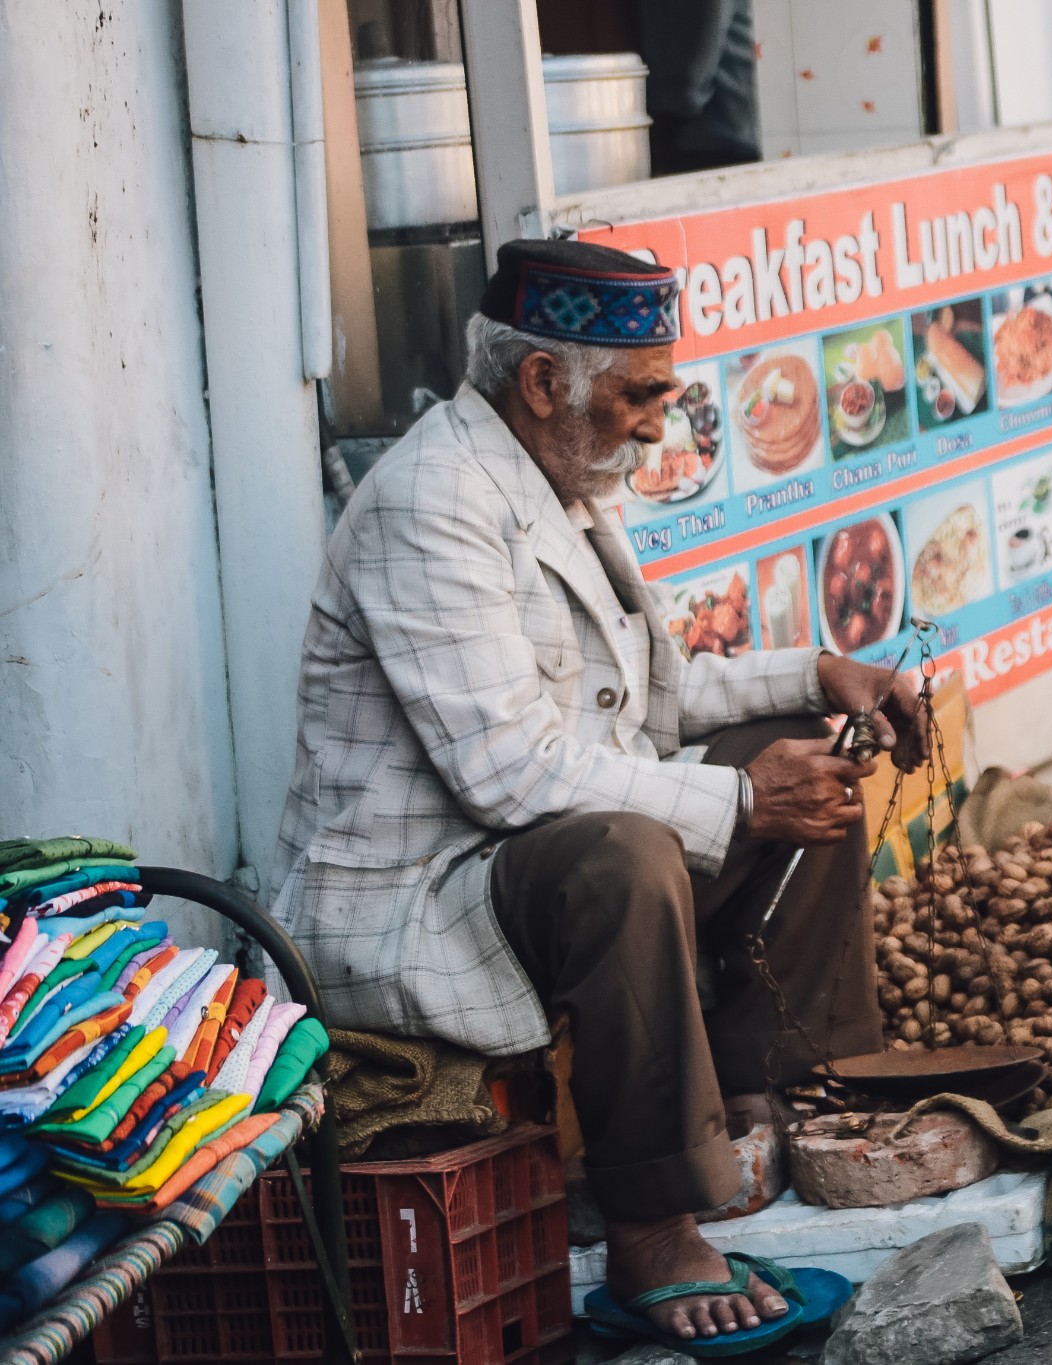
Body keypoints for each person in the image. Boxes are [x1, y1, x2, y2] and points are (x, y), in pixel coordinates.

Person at [271, 240, 929, 1341]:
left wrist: (820, 674)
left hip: (514, 856)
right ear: (541, 384)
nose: (656, 423)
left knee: (800, 751)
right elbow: (510, 772)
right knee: (625, 856)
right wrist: (737, 804)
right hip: (420, 902)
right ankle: (652, 1227)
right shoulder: (430, 505)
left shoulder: (552, 478)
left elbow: (651, 700)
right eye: (641, 396)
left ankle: (773, 1091)